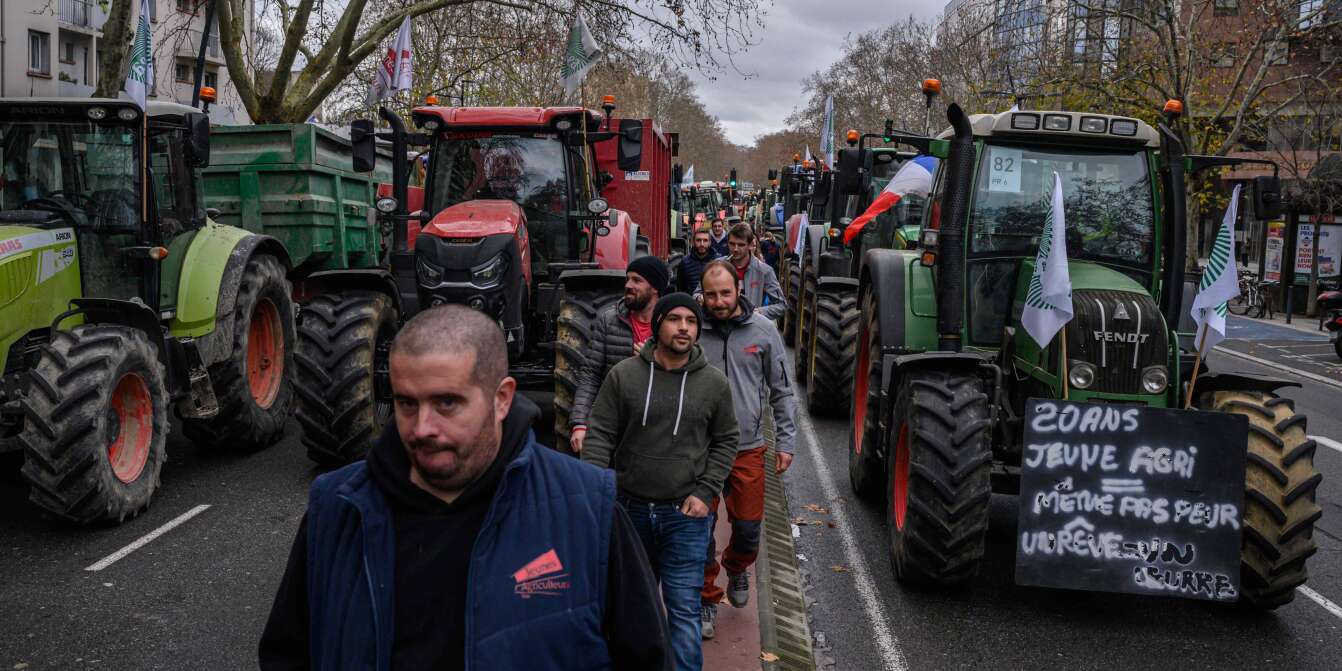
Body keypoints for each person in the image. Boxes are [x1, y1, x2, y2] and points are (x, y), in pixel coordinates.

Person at [259, 305, 667, 670]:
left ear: (502, 398)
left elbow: (647, 655)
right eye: (406, 403)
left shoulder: (588, 509)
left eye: (447, 403)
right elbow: (287, 654)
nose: (422, 428)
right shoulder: (337, 509)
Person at [581, 293, 739, 671]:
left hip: (685, 518)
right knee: (634, 611)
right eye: (674, 319)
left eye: (691, 321)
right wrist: (594, 494)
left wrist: (705, 492)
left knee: (684, 612)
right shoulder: (625, 376)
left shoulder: (714, 384)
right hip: (629, 513)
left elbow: (726, 440)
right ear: (658, 325)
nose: (684, 327)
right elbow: (600, 434)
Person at [695, 261, 796, 639]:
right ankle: (706, 597)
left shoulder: (764, 331)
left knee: (750, 528)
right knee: (699, 530)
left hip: (747, 447)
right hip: (700, 449)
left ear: (739, 289)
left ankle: (737, 566)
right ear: (701, 295)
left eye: (725, 293)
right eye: (711, 294)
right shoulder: (692, 327)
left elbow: (782, 391)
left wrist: (785, 442)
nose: (719, 302)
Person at [569, 256, 671, 454]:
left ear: (655, 288)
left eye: (637, 280)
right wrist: (580, 423)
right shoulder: (609, 320)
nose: (628, 285)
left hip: (657, 429)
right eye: (628, 279)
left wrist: (654, 360)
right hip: (614, 425)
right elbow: (591, 374)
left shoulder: (672, 324)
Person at [699, 222, 787, 321]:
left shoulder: (764, 271)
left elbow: (781, 305)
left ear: (750, 245)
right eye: (732, 244)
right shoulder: (716, 266)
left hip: (750, 329)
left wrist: (757, 313)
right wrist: (701, 298)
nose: (735, 249)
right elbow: (697, 293)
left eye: (741, 245)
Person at [678, 227, 720, 294]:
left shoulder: (718, 261)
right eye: (698, 240)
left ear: (710, 242)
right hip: (691, 302)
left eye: (705, 240)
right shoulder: (685, 262)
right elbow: (680, 289)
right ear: (693, 242)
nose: (702, 244)